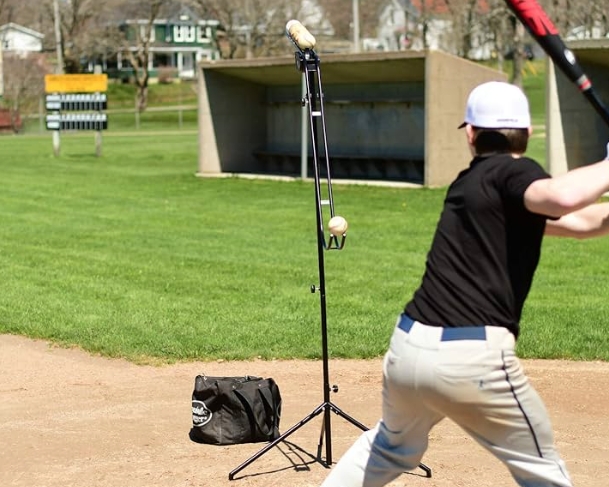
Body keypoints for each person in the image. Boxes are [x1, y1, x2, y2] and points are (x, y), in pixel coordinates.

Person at [320, 80, 609, 487]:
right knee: (544, 472)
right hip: (473, 359)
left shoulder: (472, 187)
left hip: (408, 349)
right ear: (527, 134)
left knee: (389, 447)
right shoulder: (514, 173)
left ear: (471, 134)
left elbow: (582, 223)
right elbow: (561, 198)